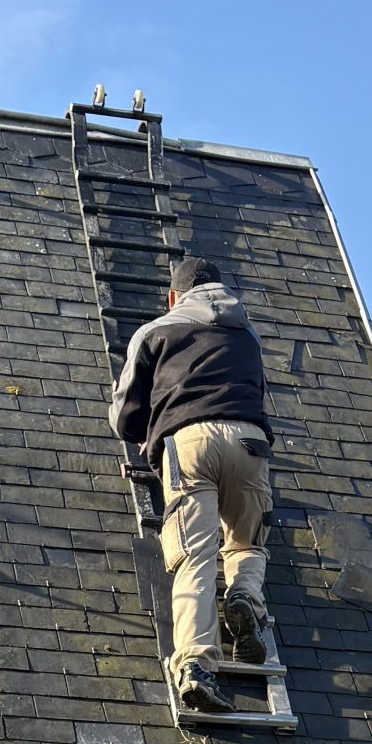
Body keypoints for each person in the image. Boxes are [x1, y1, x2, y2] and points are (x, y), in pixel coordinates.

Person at [109, 255, 273, 713]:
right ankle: (245, 598)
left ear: (173, 297)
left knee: (194, 555)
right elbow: (258, 393)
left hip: (190, 442)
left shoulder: (157, 330)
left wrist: (148, 428)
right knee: (246, 542)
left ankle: (197, 665)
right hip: (250, 443)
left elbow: (125, 417)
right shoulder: (247, 336)